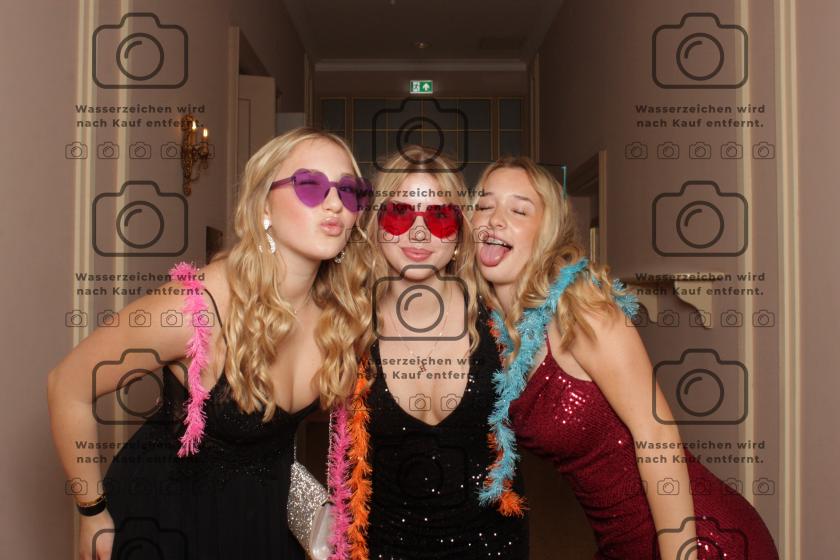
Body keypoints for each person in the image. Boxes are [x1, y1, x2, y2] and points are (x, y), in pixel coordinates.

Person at [47, 127, 372, 560]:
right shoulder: (195, 307)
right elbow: (67, 386)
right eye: (310, 185)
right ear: (263, 206)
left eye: (349, 191)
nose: (335, 204)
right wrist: (92, 513)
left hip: (258, 527)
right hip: (166, 525)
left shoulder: (338, 315)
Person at [471, 156, 779, 559]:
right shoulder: (496, 332)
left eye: (519, 210)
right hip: (619, 542)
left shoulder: (581, 310)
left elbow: (658, 436)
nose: (494, 219)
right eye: (484, 205)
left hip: (695, 537)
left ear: (546, 234)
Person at [328, 146, 529, 560]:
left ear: (459, 232)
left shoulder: (501, 314)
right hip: (384, 548)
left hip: (493, 547)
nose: (419, 233)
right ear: (376, 223)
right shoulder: (347, 323)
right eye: (400, 213)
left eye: (438, 217)